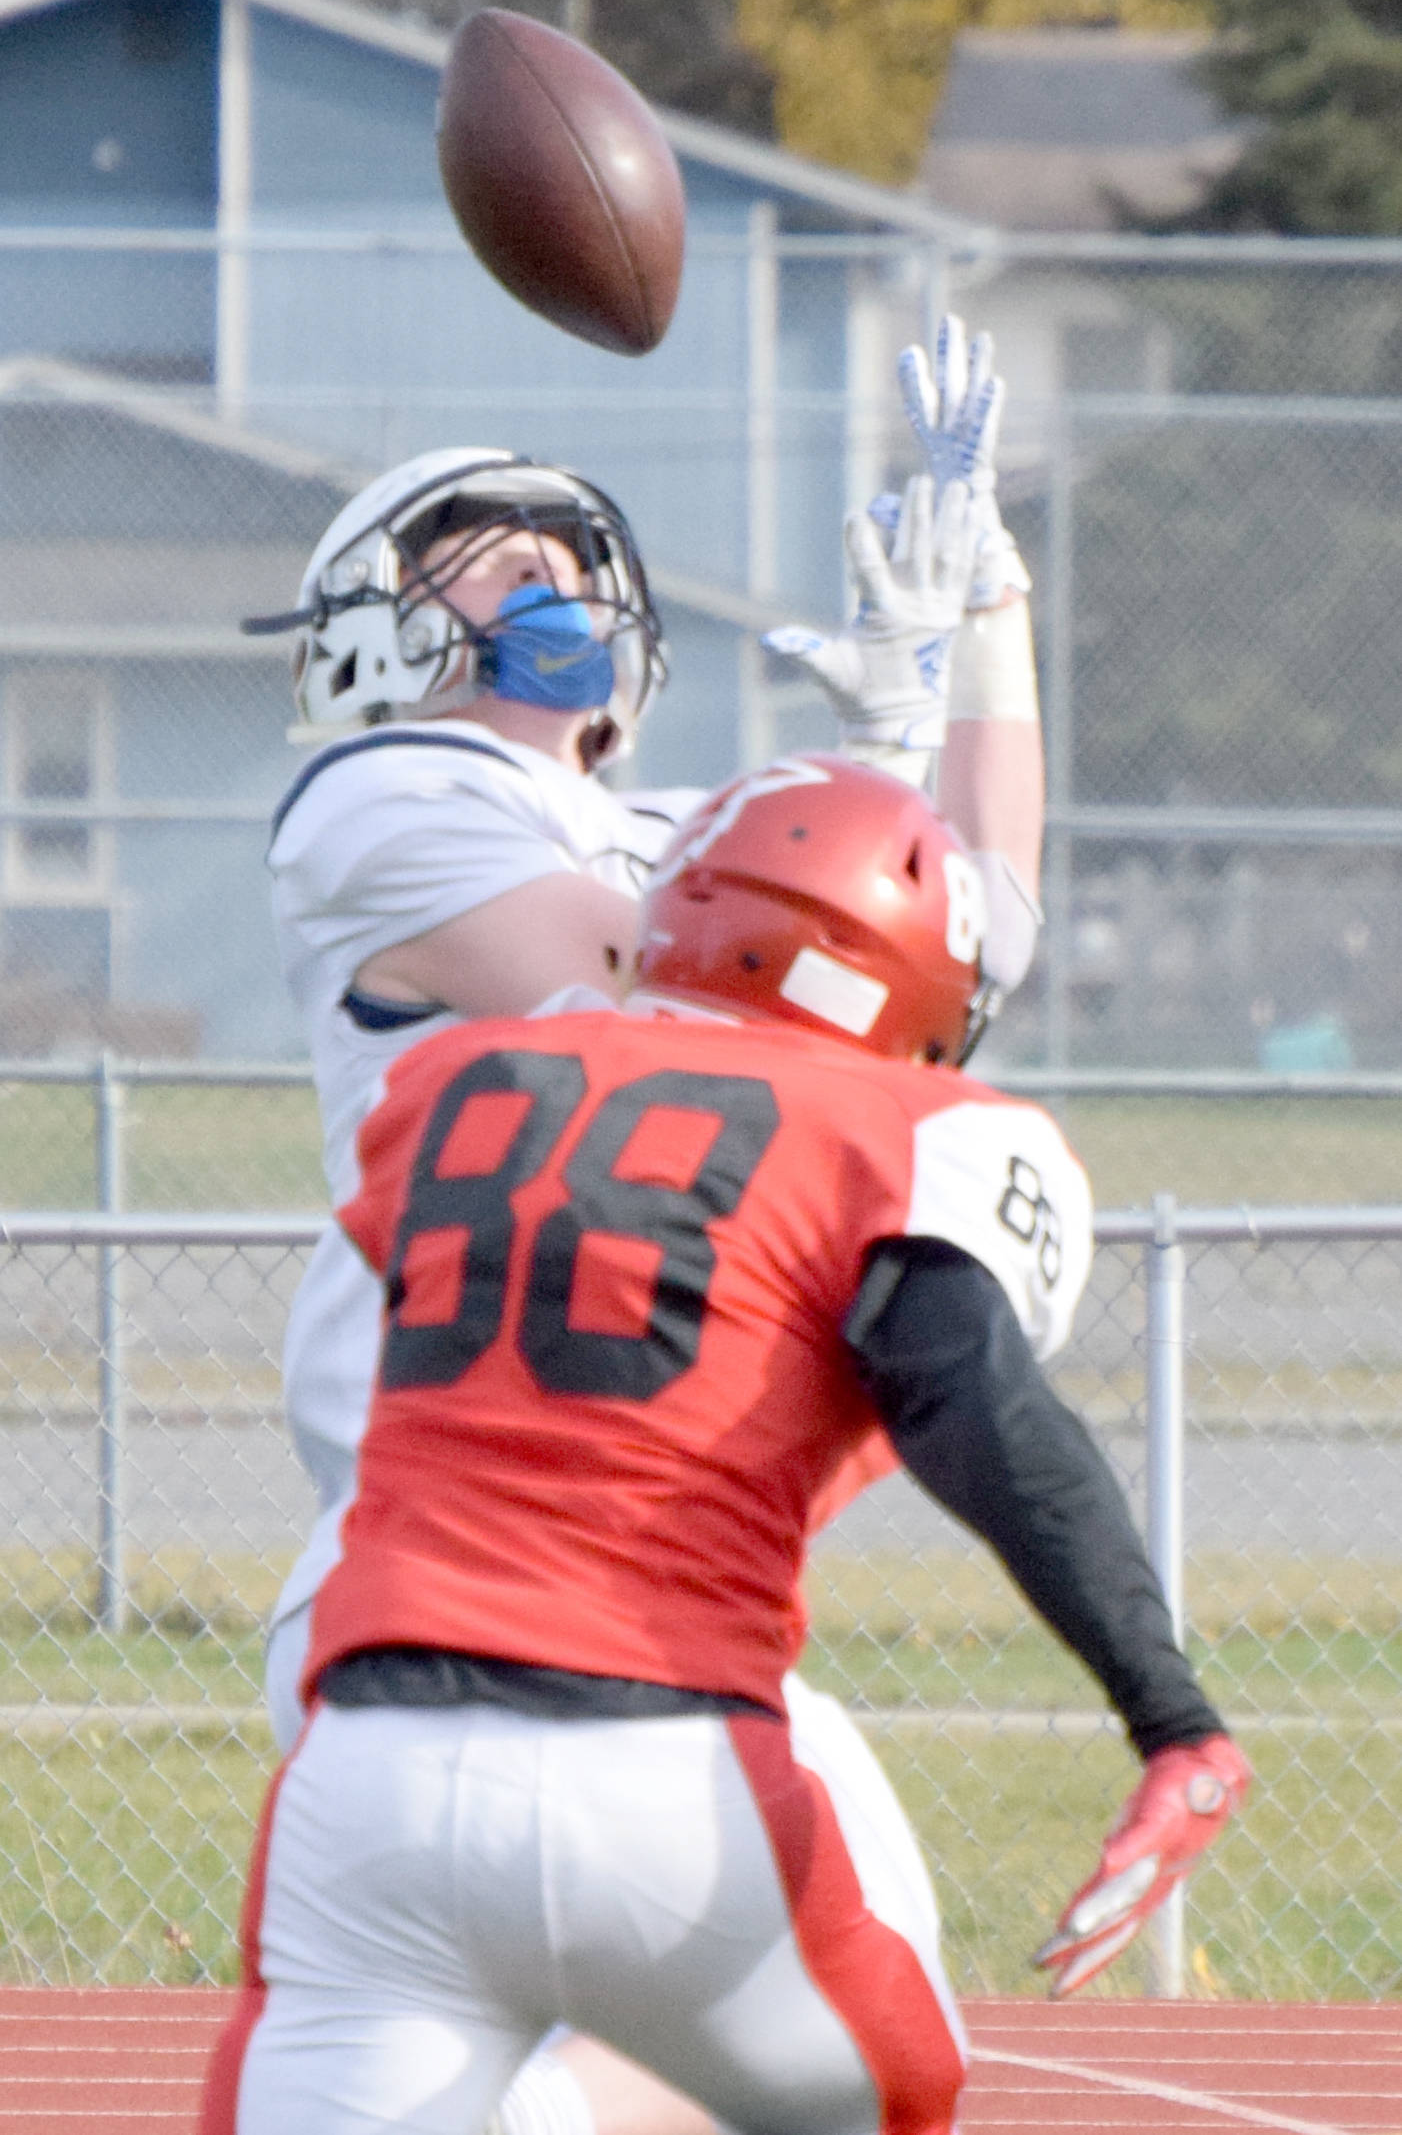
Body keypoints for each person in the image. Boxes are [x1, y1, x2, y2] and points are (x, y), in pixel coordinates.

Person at [244, 322, 1041, 2135]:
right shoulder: (385, 800)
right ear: (368, 624)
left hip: (647, 1595)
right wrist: (873, 757)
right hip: (437, 1569)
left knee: (867, 2051)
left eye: (570, 551)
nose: (549, 572)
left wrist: (982, 608)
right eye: (484, 547)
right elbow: (648, 980)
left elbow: (980, 931)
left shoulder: (675, 834)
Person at [200, 758, 1248, 2135]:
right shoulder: (904, 1126)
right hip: (659, 1763)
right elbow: (970, 1399)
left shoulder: (453, 1079)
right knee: (895, 2083)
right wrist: (1169, 1716)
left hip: (366, 1762)